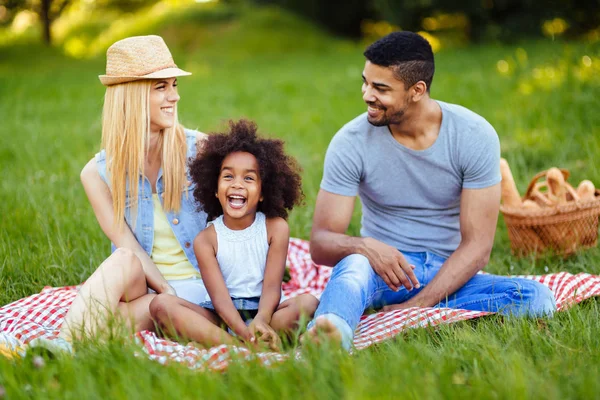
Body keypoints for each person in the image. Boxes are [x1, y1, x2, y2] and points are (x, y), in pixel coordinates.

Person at [303, 31, 556, 350]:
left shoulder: (474, 136)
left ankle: (427, 312)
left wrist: (420, 304)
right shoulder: (350, 142)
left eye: (380, 88)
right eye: (366, 82)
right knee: (353, 265)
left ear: (417, 90)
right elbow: (321, 243)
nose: (367, 94)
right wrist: (367, 247)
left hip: (449, 273)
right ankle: (331, 332)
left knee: (538, 298)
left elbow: (478, 247)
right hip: (379, 271)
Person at [31, 35, 210, 353]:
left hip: (204, 289)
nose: (174, 97)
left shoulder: (201, 150)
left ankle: (64, 346)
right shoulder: (96, 173)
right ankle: (62, 347)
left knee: (108, 318)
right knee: (124, 258)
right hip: (148, 287)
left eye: (174, 85)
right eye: (161, 87)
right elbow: (128, 247)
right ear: (132, 96)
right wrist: (166, 290)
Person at [150, 120, 319, 350]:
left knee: (309, 302)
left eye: (249, 178)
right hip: (221, 318)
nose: (237, 184)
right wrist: (242, 331)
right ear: (215, 188)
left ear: (262, 192)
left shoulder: (275, 228)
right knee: (161, 306)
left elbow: (272, 287)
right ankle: (241, 345)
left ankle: (251, 339)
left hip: (266, 313)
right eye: (228, 177)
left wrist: (261, 320)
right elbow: (219, 299)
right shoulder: (206, 240)